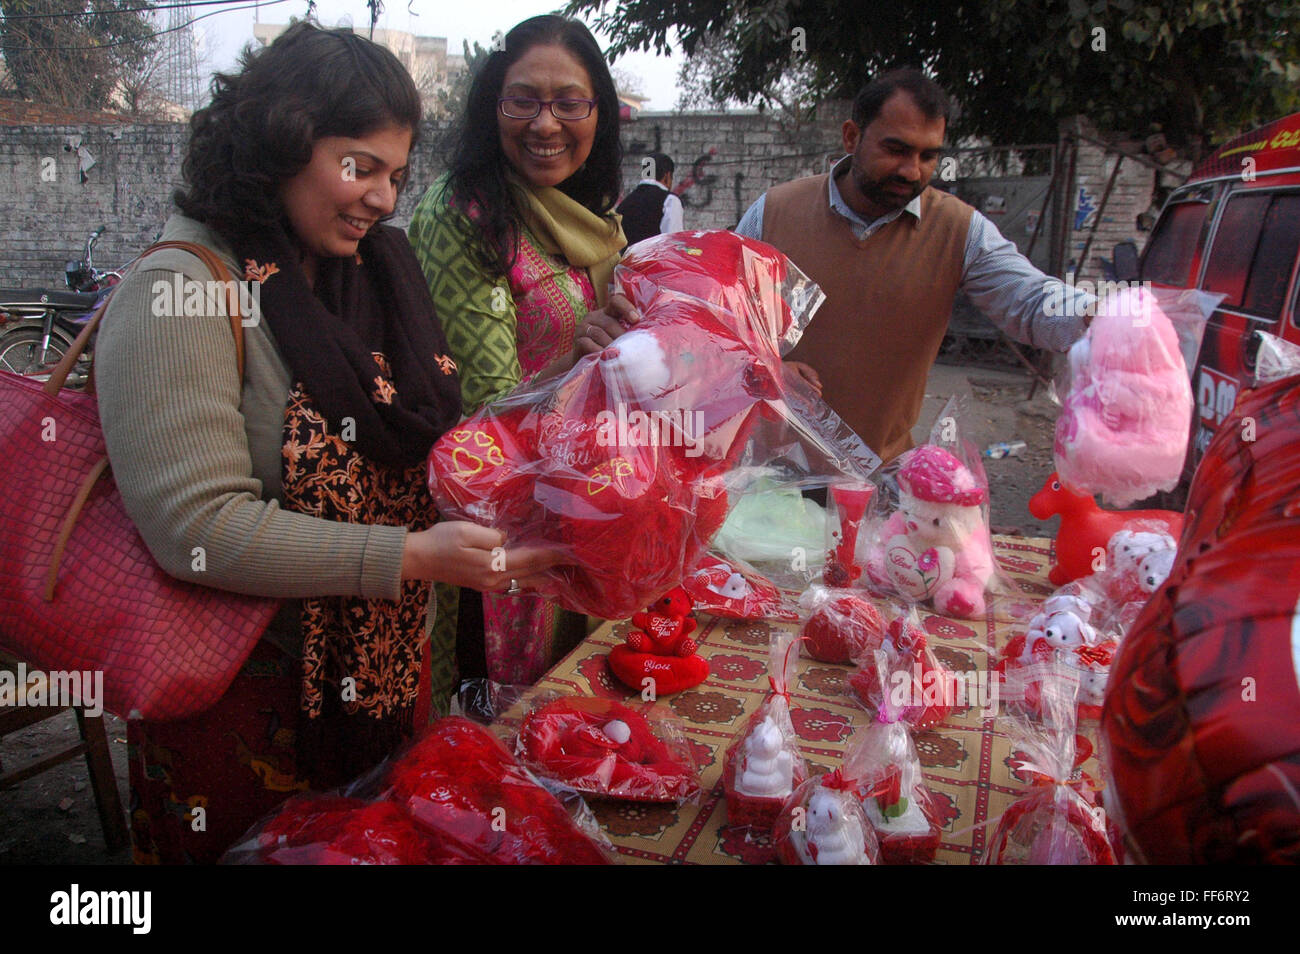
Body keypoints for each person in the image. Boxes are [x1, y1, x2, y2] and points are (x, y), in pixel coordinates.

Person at [94, 22, 554, 864]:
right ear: (282, 143)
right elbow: (196, 530)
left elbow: (427, 442)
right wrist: (412, 556)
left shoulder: (366, 274)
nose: (383, 199)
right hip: (240, 705)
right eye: (359, 167)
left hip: (379, 677)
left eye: (396, 176)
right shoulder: (184, 289)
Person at [408, 15, 636, 687]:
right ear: (492, 108)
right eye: (523, 101)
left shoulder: (593, 214)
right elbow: (477, 407)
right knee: (507, 724)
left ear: (599, 114)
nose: (545, 124)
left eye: (569, 102)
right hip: (496, 538)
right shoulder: (464, 214)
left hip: (586, 512)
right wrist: (574, 358)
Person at [735, 68, 1091, 463]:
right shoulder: (774, 213)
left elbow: (1027, 298)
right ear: (851, 137)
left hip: (880, 477)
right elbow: (717, 324)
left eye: (928, 156)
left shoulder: (959, 229)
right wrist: (768, 368)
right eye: (896, 150)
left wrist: (1105, 318)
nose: (912, 171)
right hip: (767, 477)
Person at [617, 151, 685, 246]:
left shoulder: (625, 204)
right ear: (667, 175)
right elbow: (674, 244)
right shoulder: (670, 200)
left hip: (629, 260)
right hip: (656, 260)